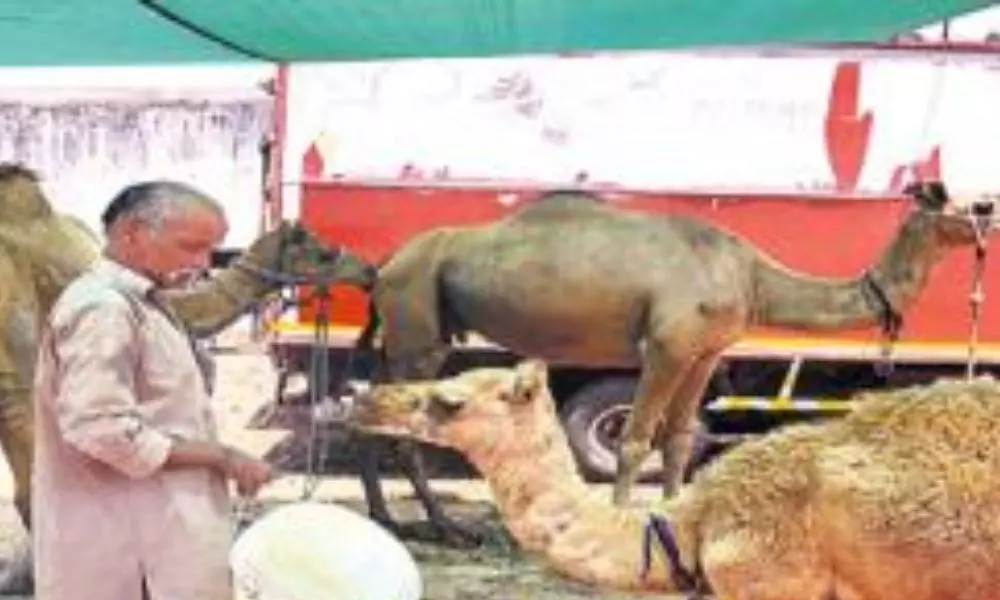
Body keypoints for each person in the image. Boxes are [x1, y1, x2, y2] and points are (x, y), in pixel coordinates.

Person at [31, 181, 276, 600]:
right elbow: (100, 429)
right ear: (133, 233)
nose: (202, 264)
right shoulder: (103, 309)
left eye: (210, 251)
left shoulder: (142, 303)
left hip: (152, 537)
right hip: (130, 556)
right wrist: (221, 457)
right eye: (191, 247)